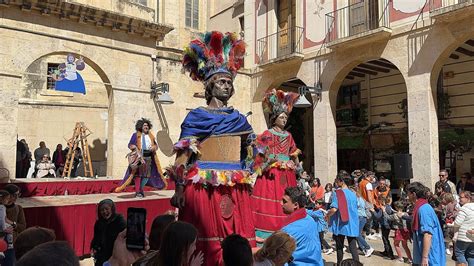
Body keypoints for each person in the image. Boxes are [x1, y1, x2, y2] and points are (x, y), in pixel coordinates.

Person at [169, 31, 254, 266]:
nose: (226, 86)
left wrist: (249, 171)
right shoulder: (197, 117)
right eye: (221, 82)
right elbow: (182, 156)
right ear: (209, 85)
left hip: (235, 186)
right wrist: (178, 189)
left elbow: (250, 150)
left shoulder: (239, 120)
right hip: (203, 188)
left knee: (236, 246)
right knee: (205, 246)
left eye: (229, 83)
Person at [252, 88, 301, 240]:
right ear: (275, 118)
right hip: (270, 173)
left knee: (286, 199)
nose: (284, 119)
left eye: (286, 117)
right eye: (282, 117)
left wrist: (297, 165)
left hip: (286, 173)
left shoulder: (289, 135)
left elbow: (294, 153)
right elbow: (257, 156)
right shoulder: (267, 134)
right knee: (269, 201)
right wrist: (268, 161)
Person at [116, 118, 166, 197]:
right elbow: (130, 144)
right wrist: (134, 147)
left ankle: (141, 189)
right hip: (139, 157)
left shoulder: (151, 136)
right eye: (144, 125)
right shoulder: (135, 135)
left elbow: (156, 145)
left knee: (146, 176)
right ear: (141, 126)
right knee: (138, 175)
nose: (146, 127)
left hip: (149, 157)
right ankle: (138, 191)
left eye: (147, 125)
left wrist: (154, 147)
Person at [280, 186, 323, 265]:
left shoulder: (289, 229)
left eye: (284, 201)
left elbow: (280, 258)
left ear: (295, 205)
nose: (281, 203)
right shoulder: (309, 219)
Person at [406, 181, 446, 266]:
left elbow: (427, 234)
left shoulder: (424, 209)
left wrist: (424, 258)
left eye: (408, 194)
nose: (407, 197)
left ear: (414, 194)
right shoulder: (420, 207)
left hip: (430, 258)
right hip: (421, 256)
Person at [325, 176, 360, 265]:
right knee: (353, 247)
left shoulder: (338, 193)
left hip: (341, 223)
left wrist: (327, 215)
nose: (335, 183)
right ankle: (357, 264)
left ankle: (339, 264)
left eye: (336, 181)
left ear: (341, 181)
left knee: (339, 246)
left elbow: (334, 209)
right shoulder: (353, 193)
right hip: (352, 222)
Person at [90, 199, 126, 266]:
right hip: (102, 256)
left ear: (112, 209)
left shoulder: (119, 220)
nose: (104, 212)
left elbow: (126, 234)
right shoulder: (98, 223)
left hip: (117, 256)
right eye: (102, 210)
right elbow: (96, 238)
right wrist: (94, 247)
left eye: (107, 209)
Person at [453, 191, 474, 266]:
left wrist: (451, 224)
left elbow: (457, 223)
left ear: (467, 198)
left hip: (463, 237)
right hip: (472, 238)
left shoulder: (464, 209)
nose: (459, 199)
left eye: (461, 197)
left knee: (459, 253)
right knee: (471, 256)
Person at [353, 185, 374, 257]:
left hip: (360, 217)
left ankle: (368, 247)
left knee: (357, 234)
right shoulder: (361, 198)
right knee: (359, 234)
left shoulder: (357, 199)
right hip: (362, 217)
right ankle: (364, 248)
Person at [0, 190, 13, 265]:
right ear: (2, 199)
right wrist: (5, 228)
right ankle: (1, 251)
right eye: (7, 199)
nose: (8, 200)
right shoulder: (2, 207)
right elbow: (1, 219)